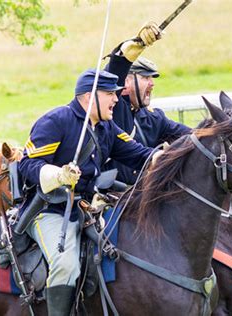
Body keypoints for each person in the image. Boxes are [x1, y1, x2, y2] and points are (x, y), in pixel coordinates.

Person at [18, 26, 160, 314]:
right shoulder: (56, 121)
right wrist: (57, 175)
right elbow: (27, 165)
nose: (117, 100)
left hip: (86, 210)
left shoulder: (106, 128)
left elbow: (139, 155)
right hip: (49, 211)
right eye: (110, 94)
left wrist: (169, 159)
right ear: (89, 96)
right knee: (66, 264)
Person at [104, 22, 191, 184]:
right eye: (145, 77)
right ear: (125, 84)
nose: (152, 83)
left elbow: (191, 136)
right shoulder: (111, 109)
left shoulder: (154, 118)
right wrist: (136, 46)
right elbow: (112, 74)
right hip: (112, 198)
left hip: (145, 199)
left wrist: (219, 130)